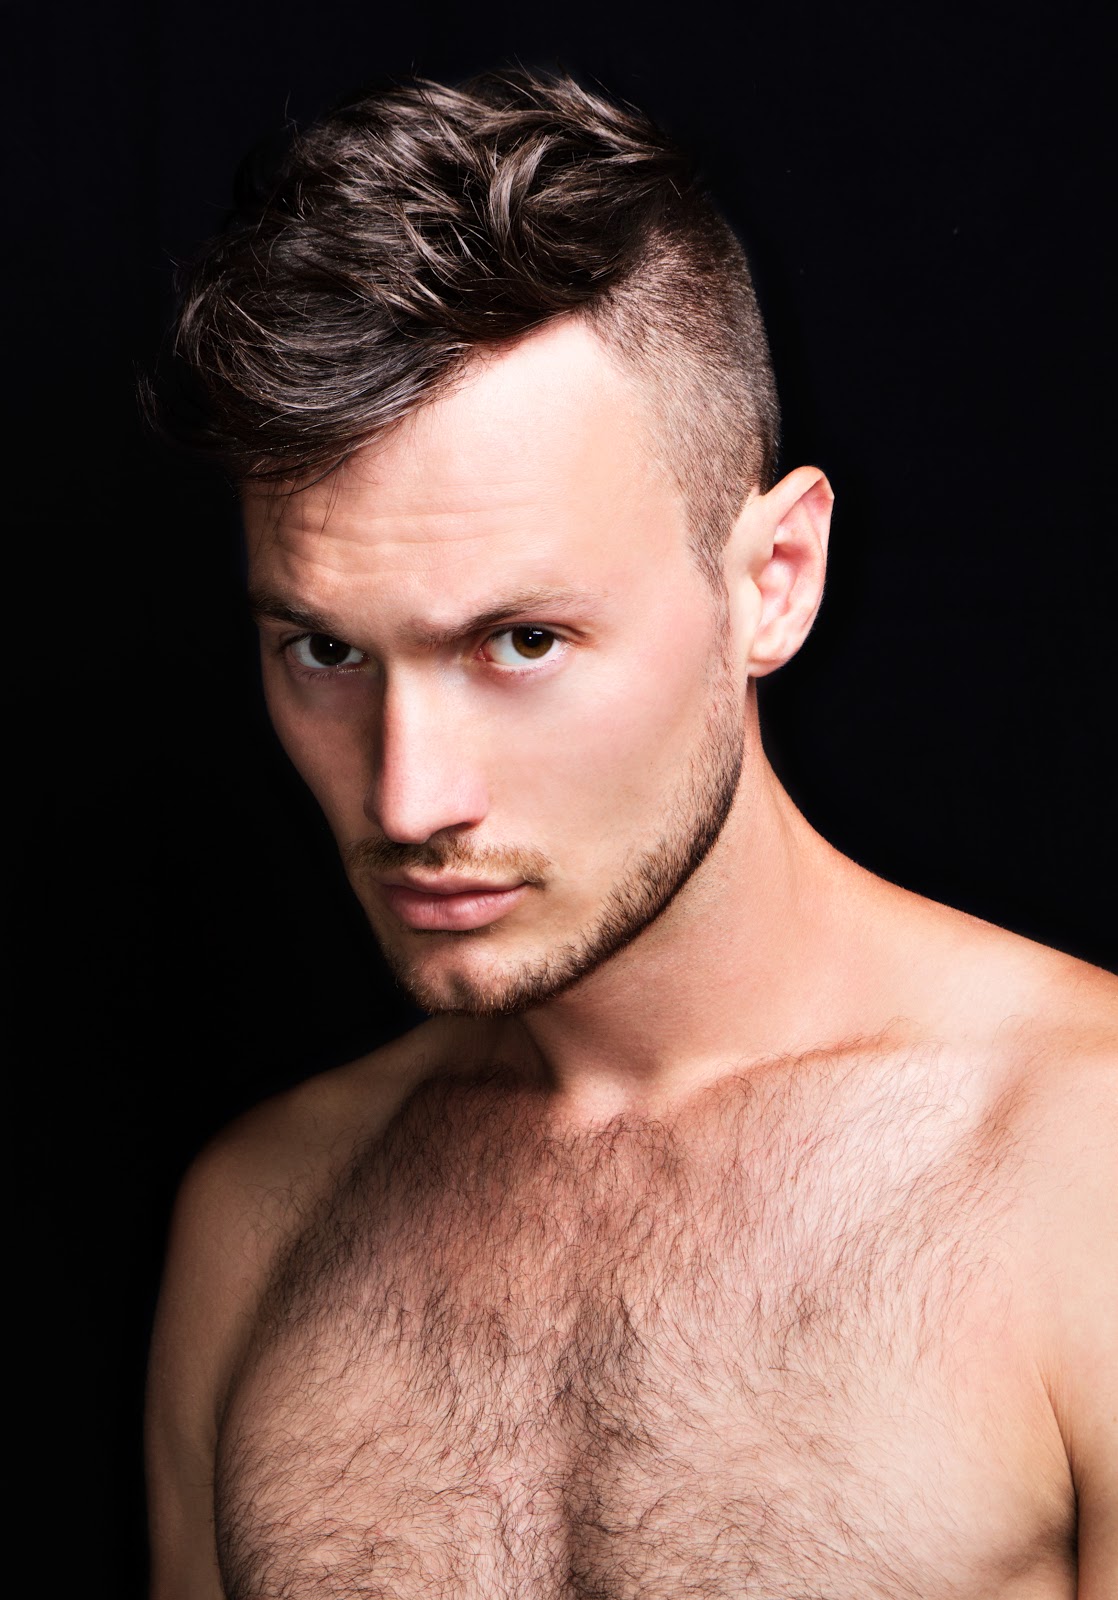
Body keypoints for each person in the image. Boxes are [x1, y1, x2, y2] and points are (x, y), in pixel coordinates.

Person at [145, 72, 1116, 1599]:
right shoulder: (262, 1217)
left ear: (771, 579)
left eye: (520, 642)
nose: (408, 800)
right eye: (327, 652)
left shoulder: (1083, 1168)